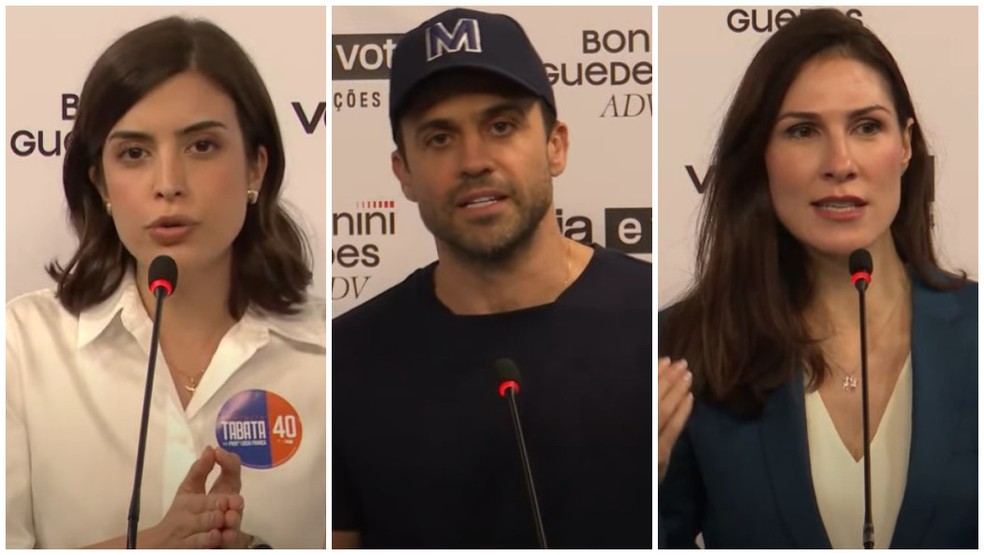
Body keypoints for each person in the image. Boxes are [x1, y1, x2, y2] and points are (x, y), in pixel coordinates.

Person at [332, 7, 652, 549]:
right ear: (402, 173)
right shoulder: (346, 361)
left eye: (501, 126)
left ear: (557, 145)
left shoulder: (662, 327)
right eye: (438, 138)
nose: (474, 160)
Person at [658, 8, 976, 549]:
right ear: (761, 156)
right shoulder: (683, 348)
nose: (840, 162)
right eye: (803, 131)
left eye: (867, 126)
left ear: (905, 146)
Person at [6, 16, 326, 548]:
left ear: (255, 168)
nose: (169, 185)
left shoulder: (331, 358)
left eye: (201, 146)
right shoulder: (21, 348)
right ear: (100, 183)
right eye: (133, 153)